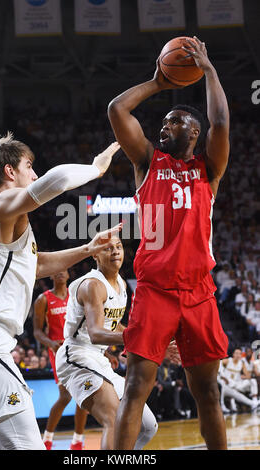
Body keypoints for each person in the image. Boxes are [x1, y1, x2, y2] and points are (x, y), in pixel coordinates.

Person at [0, 131, 121, 450]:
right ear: (10, 171)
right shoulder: (2, 204)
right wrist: (96, 167)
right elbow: (56, 179)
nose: (33, 173)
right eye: (28, 165)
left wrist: (88, 248)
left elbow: (34, 266)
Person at [108, 36, 230, 450]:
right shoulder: (146, 161)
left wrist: (209, 71)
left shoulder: (207, 169)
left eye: (174, 122)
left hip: (198, 292)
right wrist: (160, 82)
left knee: (207, 392)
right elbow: (117, 109)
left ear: (194, 132)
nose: (164, 126)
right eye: (163, 122)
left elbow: (222, 124)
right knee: (136, 386)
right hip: (156, 291)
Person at [55, 236, 161, 450]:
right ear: (95, 254)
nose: (115, 252)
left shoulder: (121, 284)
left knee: (148, 426)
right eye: (107, 248)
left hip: (98, 359)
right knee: (113, 419)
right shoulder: (92, 285)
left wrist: (149, 340)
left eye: (119, 247)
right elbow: (96, 333)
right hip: (76, 356)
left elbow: (114, 326)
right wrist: (138, 339)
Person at [33, 270, 88, 450]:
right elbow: (37, 331)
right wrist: (50, 343)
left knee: (84, 396)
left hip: (79, 348)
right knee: (65, 396)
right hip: (58, 352)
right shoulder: (43, 299)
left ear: (68, 274)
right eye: (56, 271)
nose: (60, 273)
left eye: (63, 270)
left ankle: (77, 441)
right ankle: (47, 439)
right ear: (51, 276)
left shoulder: (76, 296)